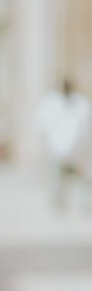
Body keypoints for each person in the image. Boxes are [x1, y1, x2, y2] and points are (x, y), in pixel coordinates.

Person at [36, 78, 91, 209]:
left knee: (77, 178)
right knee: (59, 178)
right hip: (59, 148)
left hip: (74, 150)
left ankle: (79, 203)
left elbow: (86, 127)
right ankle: (60, 203)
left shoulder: (80, 103)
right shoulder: (52, 103)